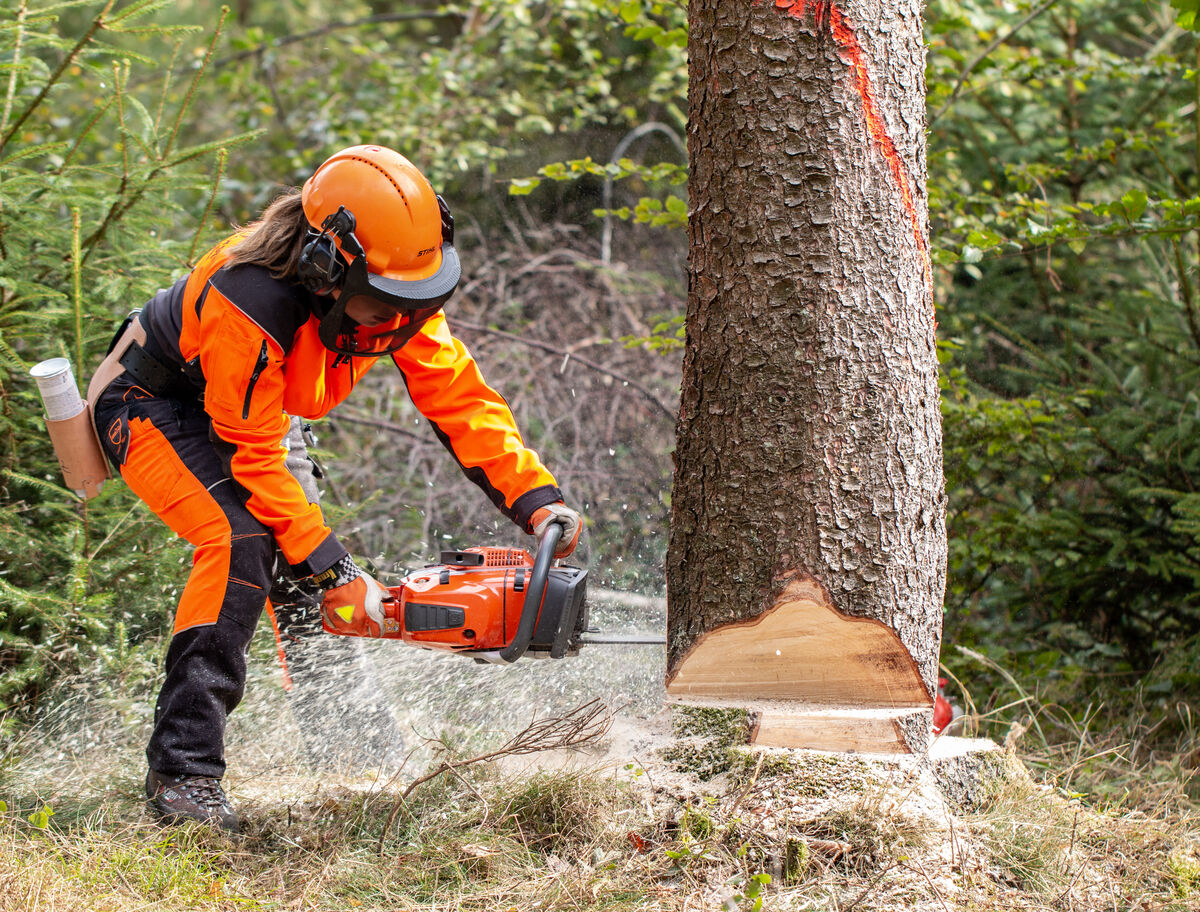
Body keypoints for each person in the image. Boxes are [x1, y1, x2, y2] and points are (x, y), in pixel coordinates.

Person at [87, 145, 583, 833]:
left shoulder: (398, 291)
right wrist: (339, 569)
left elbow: (458, 396)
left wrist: (535, 498)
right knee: (242, 541)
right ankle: (183, 773)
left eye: (414, 303)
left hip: (255, 412)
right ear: (327, 268)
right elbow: (252, 453)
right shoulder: (251, 300)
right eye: (383, 306)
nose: (397, 323)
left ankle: (353, 752)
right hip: (155, 402)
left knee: (309, 576)